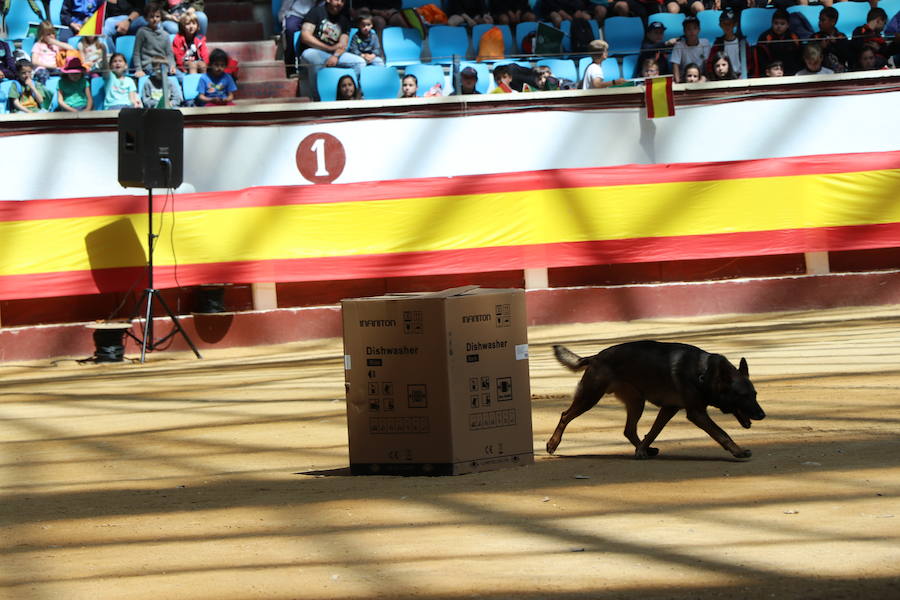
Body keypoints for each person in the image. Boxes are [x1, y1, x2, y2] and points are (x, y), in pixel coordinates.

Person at [299, 0, 366, 97]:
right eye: (337, 0)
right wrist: (329, 48)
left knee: (360, 62)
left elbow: (343, 43)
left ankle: (356, 95)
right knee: (316, 60)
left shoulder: (344, 19)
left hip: (334, 54)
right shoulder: (315, 12)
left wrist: (335, 55)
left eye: (342, 1)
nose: (340, 3)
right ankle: (318, 98)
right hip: (312, 51)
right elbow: (305, 37)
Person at [134, 3, 178, 79]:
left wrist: (172, 66)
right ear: (146, 18)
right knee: (159, 75)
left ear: (161, 18)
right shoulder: (142, 32)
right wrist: (138, 69)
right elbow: (137, 53)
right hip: (149, 65)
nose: (155, 19)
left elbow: (169, 54)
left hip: (164, 64)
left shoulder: (165, 35)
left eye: (157, 16)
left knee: (180, 76)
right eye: (151, 16)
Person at [753, 9, 801, 76]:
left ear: (788, 25)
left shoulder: (794, 37)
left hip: (791, 72)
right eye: (776, 23)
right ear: (772, 23)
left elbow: (799, 57)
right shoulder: (765, 37)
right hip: (771, 74)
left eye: (782, 24)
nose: (779, 26)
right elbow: (762, 61)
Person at [278, 0, 318, 76]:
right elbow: (287, 3)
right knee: (290, 30)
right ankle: (291, 68)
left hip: (316, 14)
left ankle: (308, 69)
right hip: (297, 14)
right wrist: (283, 16)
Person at [810, 6, 849, 74]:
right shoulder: (815, 37)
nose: (819, 23)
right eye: (819, 20)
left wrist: (836, 44)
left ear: (833, 22)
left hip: (839, 73)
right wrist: (820, 47)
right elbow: (809, 56)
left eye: (823, 20)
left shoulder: (841, 37)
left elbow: (847, 56)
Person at [671, 17, 711, 83]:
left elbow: (706, 63)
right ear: (684, 31)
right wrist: (678, 83)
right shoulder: (679, 45)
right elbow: (675, 65)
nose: (692, 32)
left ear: (699, 30)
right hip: (685, 77)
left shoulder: (705, 43)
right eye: (689, 29)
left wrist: (708, 79)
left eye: (694, 28)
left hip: (700, 77)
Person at [707, 8, 743, 79]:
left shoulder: (742, 42)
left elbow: (749, 63)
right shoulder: (718, 43)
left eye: (729, 23)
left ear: (735, 24)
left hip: (740, 77)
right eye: (724, 24)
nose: (727, 26)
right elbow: (710, 63)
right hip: (722, 77)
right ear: (720, 25)